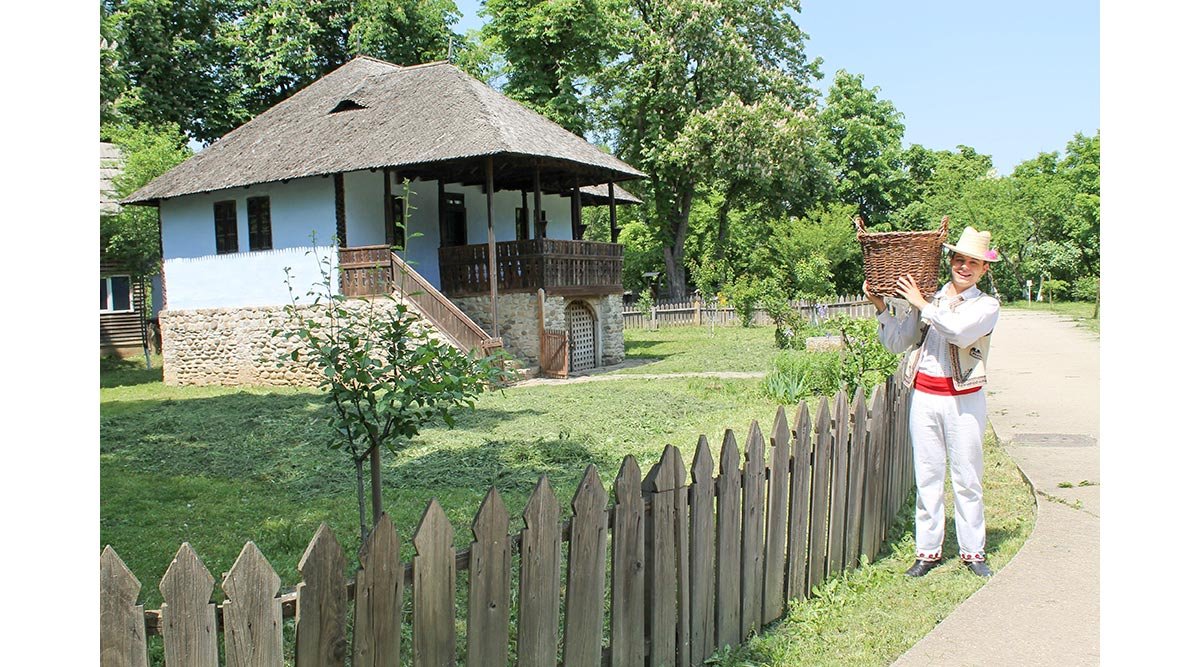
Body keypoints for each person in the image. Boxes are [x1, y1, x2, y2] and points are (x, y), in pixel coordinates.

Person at [864, 226, 1000, 578]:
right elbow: (898, 342)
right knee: (927, 475)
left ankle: (973, 552)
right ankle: (928, 551)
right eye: (959, 259)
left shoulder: (986, 306)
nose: (964, 267)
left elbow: (959, 332)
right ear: (950, 262)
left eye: (973, 263)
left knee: (967, 477)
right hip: (925, 395)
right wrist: (882, 305)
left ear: (984, 269)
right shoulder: (928, 297)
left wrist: (922, 304)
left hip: (964, 402)